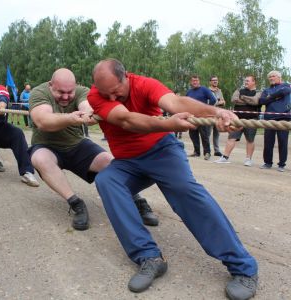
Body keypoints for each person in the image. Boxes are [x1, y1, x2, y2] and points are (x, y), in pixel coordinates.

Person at [88, 59, 258, 300]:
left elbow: (176, 103)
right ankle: (149, 257)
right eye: (107, 94)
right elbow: (126, 120)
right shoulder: (98, 95)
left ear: (125, 76)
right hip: (128, 163)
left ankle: (244, 268)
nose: (112, 98)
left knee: (186, 191)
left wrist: (217, 111)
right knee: (106, 181)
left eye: (116, 92)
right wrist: (168, 122)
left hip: (162, 151)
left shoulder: (144, 84)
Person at [29, 68, 159, 231]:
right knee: (40, 158)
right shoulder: (39, 92)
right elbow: (43, 120)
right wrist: (70, 118)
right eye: (60, 92)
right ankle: (76, 203)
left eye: (70, 92)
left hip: (76, 143)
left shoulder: (82, 91)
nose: (66, 97)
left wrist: (89, 112)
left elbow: (87, 105)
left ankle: (136, 198)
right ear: (50, 85)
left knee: (110, 162)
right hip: (46, 145)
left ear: (75, 86)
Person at [215, 76, 261, 166]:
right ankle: (225, 157)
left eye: (248, 81)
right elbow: (234, 99)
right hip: (236, 119)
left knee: (250, 140)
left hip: (251, 119)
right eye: (245, 81)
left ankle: (248, 159)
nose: (246, 82)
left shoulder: (259, 92)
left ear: (254, 82)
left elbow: (255, 101)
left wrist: (242, 98)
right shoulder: (239, 90)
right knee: (231, 137)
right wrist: (248, 100)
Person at [258, 70, 291, 172]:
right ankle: (267, 163)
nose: (271, 78)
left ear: (279, 77)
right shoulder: (266, 90)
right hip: (269, 118)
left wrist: (270, 97)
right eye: (270, 77)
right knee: (268, 142)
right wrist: (275, 97)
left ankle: (281, 164)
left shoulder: (286, 85)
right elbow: (261, 101)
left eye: (273, 76)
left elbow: (283, 92)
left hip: (283, 117)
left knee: (282, 141)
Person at [186, 75, 217, 160]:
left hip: (202, 117)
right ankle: (196, 152)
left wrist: (206, 109)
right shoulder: (189, 92)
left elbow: (213, 99)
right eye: (193, 81)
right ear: (191, 82)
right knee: (193, 134)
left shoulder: (204, 89)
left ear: (199, 81)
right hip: (192, 117)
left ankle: (207, 153)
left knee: (204, 135)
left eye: (196, 80)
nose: (195, 82)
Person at [209, 76, 226, 156]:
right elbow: (208, 102)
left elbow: (223, 101)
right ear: (210, 82)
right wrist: (218, 102)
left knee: (217, 133)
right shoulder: (207, 91)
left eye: (216, 80)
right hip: (210, 114)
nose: (215, 82)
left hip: (218, 114)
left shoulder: (219, 91)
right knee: (207, 133)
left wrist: (220, 102)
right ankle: (207, 150)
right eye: (214, 80)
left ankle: (216, 150)